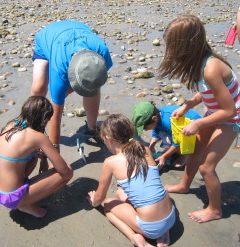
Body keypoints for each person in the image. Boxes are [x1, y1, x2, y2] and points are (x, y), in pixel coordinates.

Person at [158, 15, 240, 223]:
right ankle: (184, 185)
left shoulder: (211, 68)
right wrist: (187, 106)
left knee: (206, 166)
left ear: (187, 46)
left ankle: (214, 209)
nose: (170, 52)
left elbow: (229, 110)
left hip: (232, 118)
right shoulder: (197, 65)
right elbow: (203, 93)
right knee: (193, 150)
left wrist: (198, 123)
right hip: (216, 112)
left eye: (173, 47)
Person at [87, 114, 176, 247]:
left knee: (108, 205)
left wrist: (94, 201)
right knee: (120, 193)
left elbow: (100, 197)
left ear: (108, 139)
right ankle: (163, 232)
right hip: (171, 217)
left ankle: (136, 238)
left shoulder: (110, 162)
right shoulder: (144, 149)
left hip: (151, 227)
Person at [31, 20, 113, 150]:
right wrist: (55, 158)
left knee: (92, 86)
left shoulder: (102, 53)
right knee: (38, 89)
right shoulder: (59, 69)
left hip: (78, 28)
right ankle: (33, 128)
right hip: (48, 37)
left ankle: (92, 128)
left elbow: (94, 80)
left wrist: (78, 88)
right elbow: (55, 117)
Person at [0, 96, 73, 217]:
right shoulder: (38, 137)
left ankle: (24, 200)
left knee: (32, 156)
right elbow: (63, 169)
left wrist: (42, 158)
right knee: (68, 171)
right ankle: (24, 204)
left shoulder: (10, 125)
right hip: (11, 197)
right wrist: (47, 153)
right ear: (44, 119)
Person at [132, 101, 201, 169]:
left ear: (154, 118)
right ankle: (172, 151)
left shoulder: (167, 121)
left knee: (175, 141)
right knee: (164, 135)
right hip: (175, 129)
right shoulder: (157, 114)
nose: (145, 130)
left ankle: (185, 155)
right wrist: (152, 144)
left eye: (145, 127)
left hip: (196, 129)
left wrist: (164, 156)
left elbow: (177, 142)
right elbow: (156, 128)